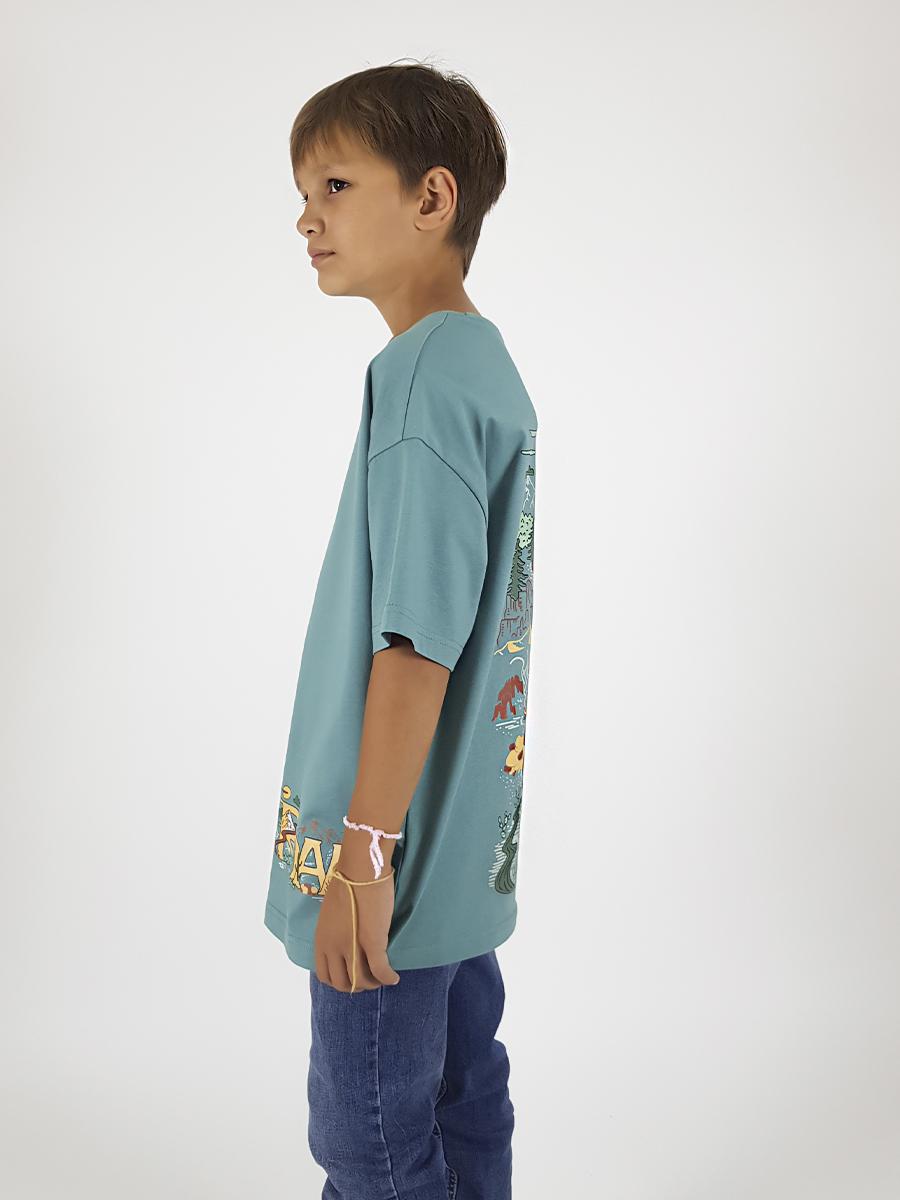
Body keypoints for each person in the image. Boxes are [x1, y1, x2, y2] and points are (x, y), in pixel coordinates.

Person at [263, 60, 538, 1200]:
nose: (306, 217)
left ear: (432, 197)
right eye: (302, 193)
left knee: (370, 1147)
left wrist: (362, 857)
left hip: (394, 868)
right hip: (459, 858)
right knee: (464, 1104)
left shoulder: (421, 383)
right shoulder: (482, 364)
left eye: (334, 185)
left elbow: (417, 648)